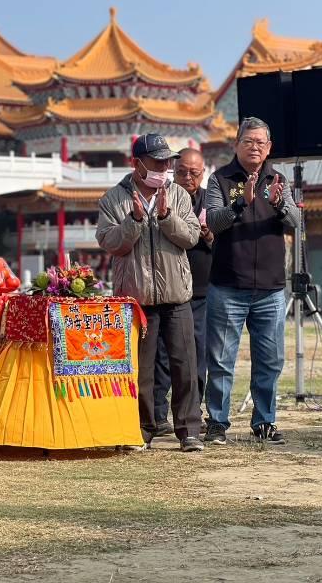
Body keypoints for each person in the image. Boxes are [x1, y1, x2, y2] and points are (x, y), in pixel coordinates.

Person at [96, 133, 203, 452]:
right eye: (157, 162)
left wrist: (167, 218)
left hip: (177, 295)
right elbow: (109, 242)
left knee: (185, 364)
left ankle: (189, 431)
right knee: (140, 368)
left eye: (167, 162)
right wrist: (134, 222)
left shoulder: (179, 195)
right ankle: (142, 429)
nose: (164, 167)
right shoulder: (114, 199)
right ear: (136, 163)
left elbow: (192, 238)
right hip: (136, 298)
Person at [204, 117, 298, 446]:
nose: (255, 146)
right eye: (249, 141)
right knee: (220, 360)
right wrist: (241, 201)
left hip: (270, 290)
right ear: (237, 145)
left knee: (270, 359)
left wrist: (278, 203)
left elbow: (297, 222)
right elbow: (213, 221)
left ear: (269, 147)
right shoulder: (219, 179)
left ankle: (265, 421)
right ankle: (217, 423)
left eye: (261, 142)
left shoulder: (278, 179)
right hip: (228, 286)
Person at [153, 149, 214, 436]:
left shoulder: (211, 200)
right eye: (181, 172)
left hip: (200, 290)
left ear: (204, 173)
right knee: (162, 354)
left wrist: (211, 237)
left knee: (195, 354)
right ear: (172, 171)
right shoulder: (163, 196)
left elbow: (227, 242)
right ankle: (157, 414)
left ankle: (193, 411)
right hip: (166, 287)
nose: (187, 177)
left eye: (194, 172)